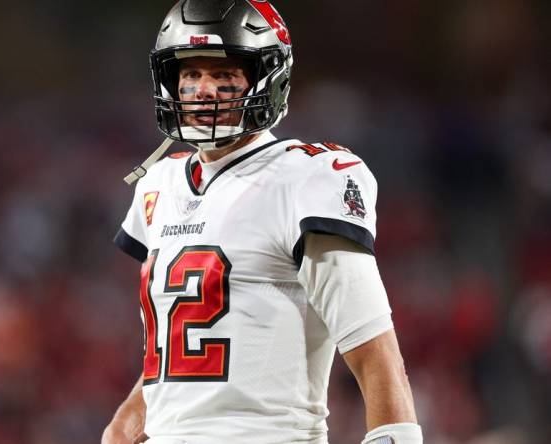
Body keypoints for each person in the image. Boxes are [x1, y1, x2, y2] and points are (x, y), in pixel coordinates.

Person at [105, 1, 422, 443]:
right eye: (190, 74)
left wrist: (397, 435)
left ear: (266, 80)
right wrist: (126, 423)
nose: (203, 90)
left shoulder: (304, 176)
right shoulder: (159, 183)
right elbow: (181, 357)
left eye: (224, 75)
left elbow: (372, 346)